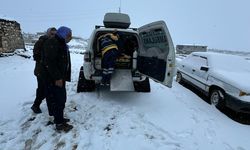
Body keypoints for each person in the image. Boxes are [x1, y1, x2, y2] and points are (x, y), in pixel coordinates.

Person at [42, 26, 73, 132]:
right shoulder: (53, 42)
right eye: (69, 35)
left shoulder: (61, 43)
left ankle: (59, 118)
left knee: (61, 99)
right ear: (63, 34)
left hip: (60, 77)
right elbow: (50, 62)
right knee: (57, 100)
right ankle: (59, 123)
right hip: (54, 79)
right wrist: (57, 78)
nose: (71, 37)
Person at [31, 27, 57, 114]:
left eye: (54, 34)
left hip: (47, 71)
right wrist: (45, 60)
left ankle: (38, 104)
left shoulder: (52, 42)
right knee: (42, 89)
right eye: (52, 33)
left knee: (46, 89)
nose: (53, 35)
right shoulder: (41, 42)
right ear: (47, 33)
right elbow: (36, 56)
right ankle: (35, 105)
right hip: (41, 71)